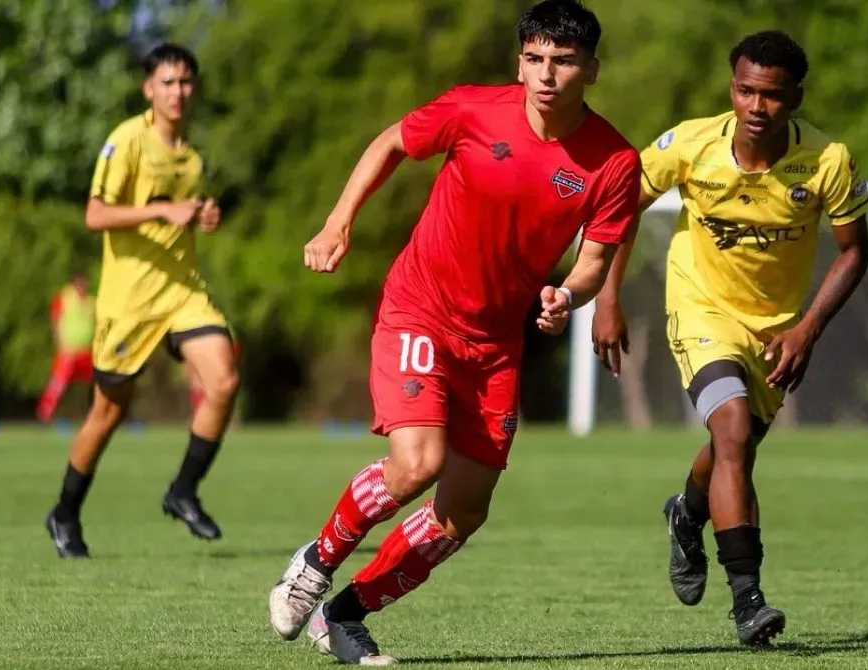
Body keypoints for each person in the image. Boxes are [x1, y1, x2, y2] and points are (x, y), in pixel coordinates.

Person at [267, 1, 640, 664]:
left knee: (461, 513)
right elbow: (388, 142)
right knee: (418, 464)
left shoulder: (612, 161)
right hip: (421, 310)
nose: (545, 75)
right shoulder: (472, 109)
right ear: (518, 62)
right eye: (533, 59)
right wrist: (338, 222)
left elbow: (593, 259)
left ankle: (346, 612)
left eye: (562, 61)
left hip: (495, 346)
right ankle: (314, 563)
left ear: (591, 69)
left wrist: (567, 294)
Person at [592, 30, 868, 646]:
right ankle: (748, 599)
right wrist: (606, 297)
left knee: (732, 451)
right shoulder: (690, 144)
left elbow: (854, 253)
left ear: (795, 97)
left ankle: (686, 513)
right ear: (732, 87)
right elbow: (618, 207)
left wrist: (808, 328)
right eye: (744, 90)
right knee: (734, 433)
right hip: (700, 309)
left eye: (770, 95)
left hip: (777, 328)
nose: (754, 106)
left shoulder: (828, 161)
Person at [44, 43, 240, 559]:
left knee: (224, 379)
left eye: (186, 81)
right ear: (148, 88)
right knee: (107, 415)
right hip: (129, 302)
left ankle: (182, 491)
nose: (179, 91)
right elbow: (95, 214)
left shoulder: (193, 157)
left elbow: (181, 214)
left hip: (181, 294)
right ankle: (65, 513)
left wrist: (202, 217)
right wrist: (165, 213)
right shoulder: (127, 141)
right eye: (168, 82)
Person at [36, 275, 96, 423]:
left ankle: (97, 413)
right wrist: (58, 340)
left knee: (97, 383)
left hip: (86, 351)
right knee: (59, 382)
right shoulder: (65, 297)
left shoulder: (91, 302)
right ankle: (45, 413)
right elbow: (55, 318)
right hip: (68, 350)